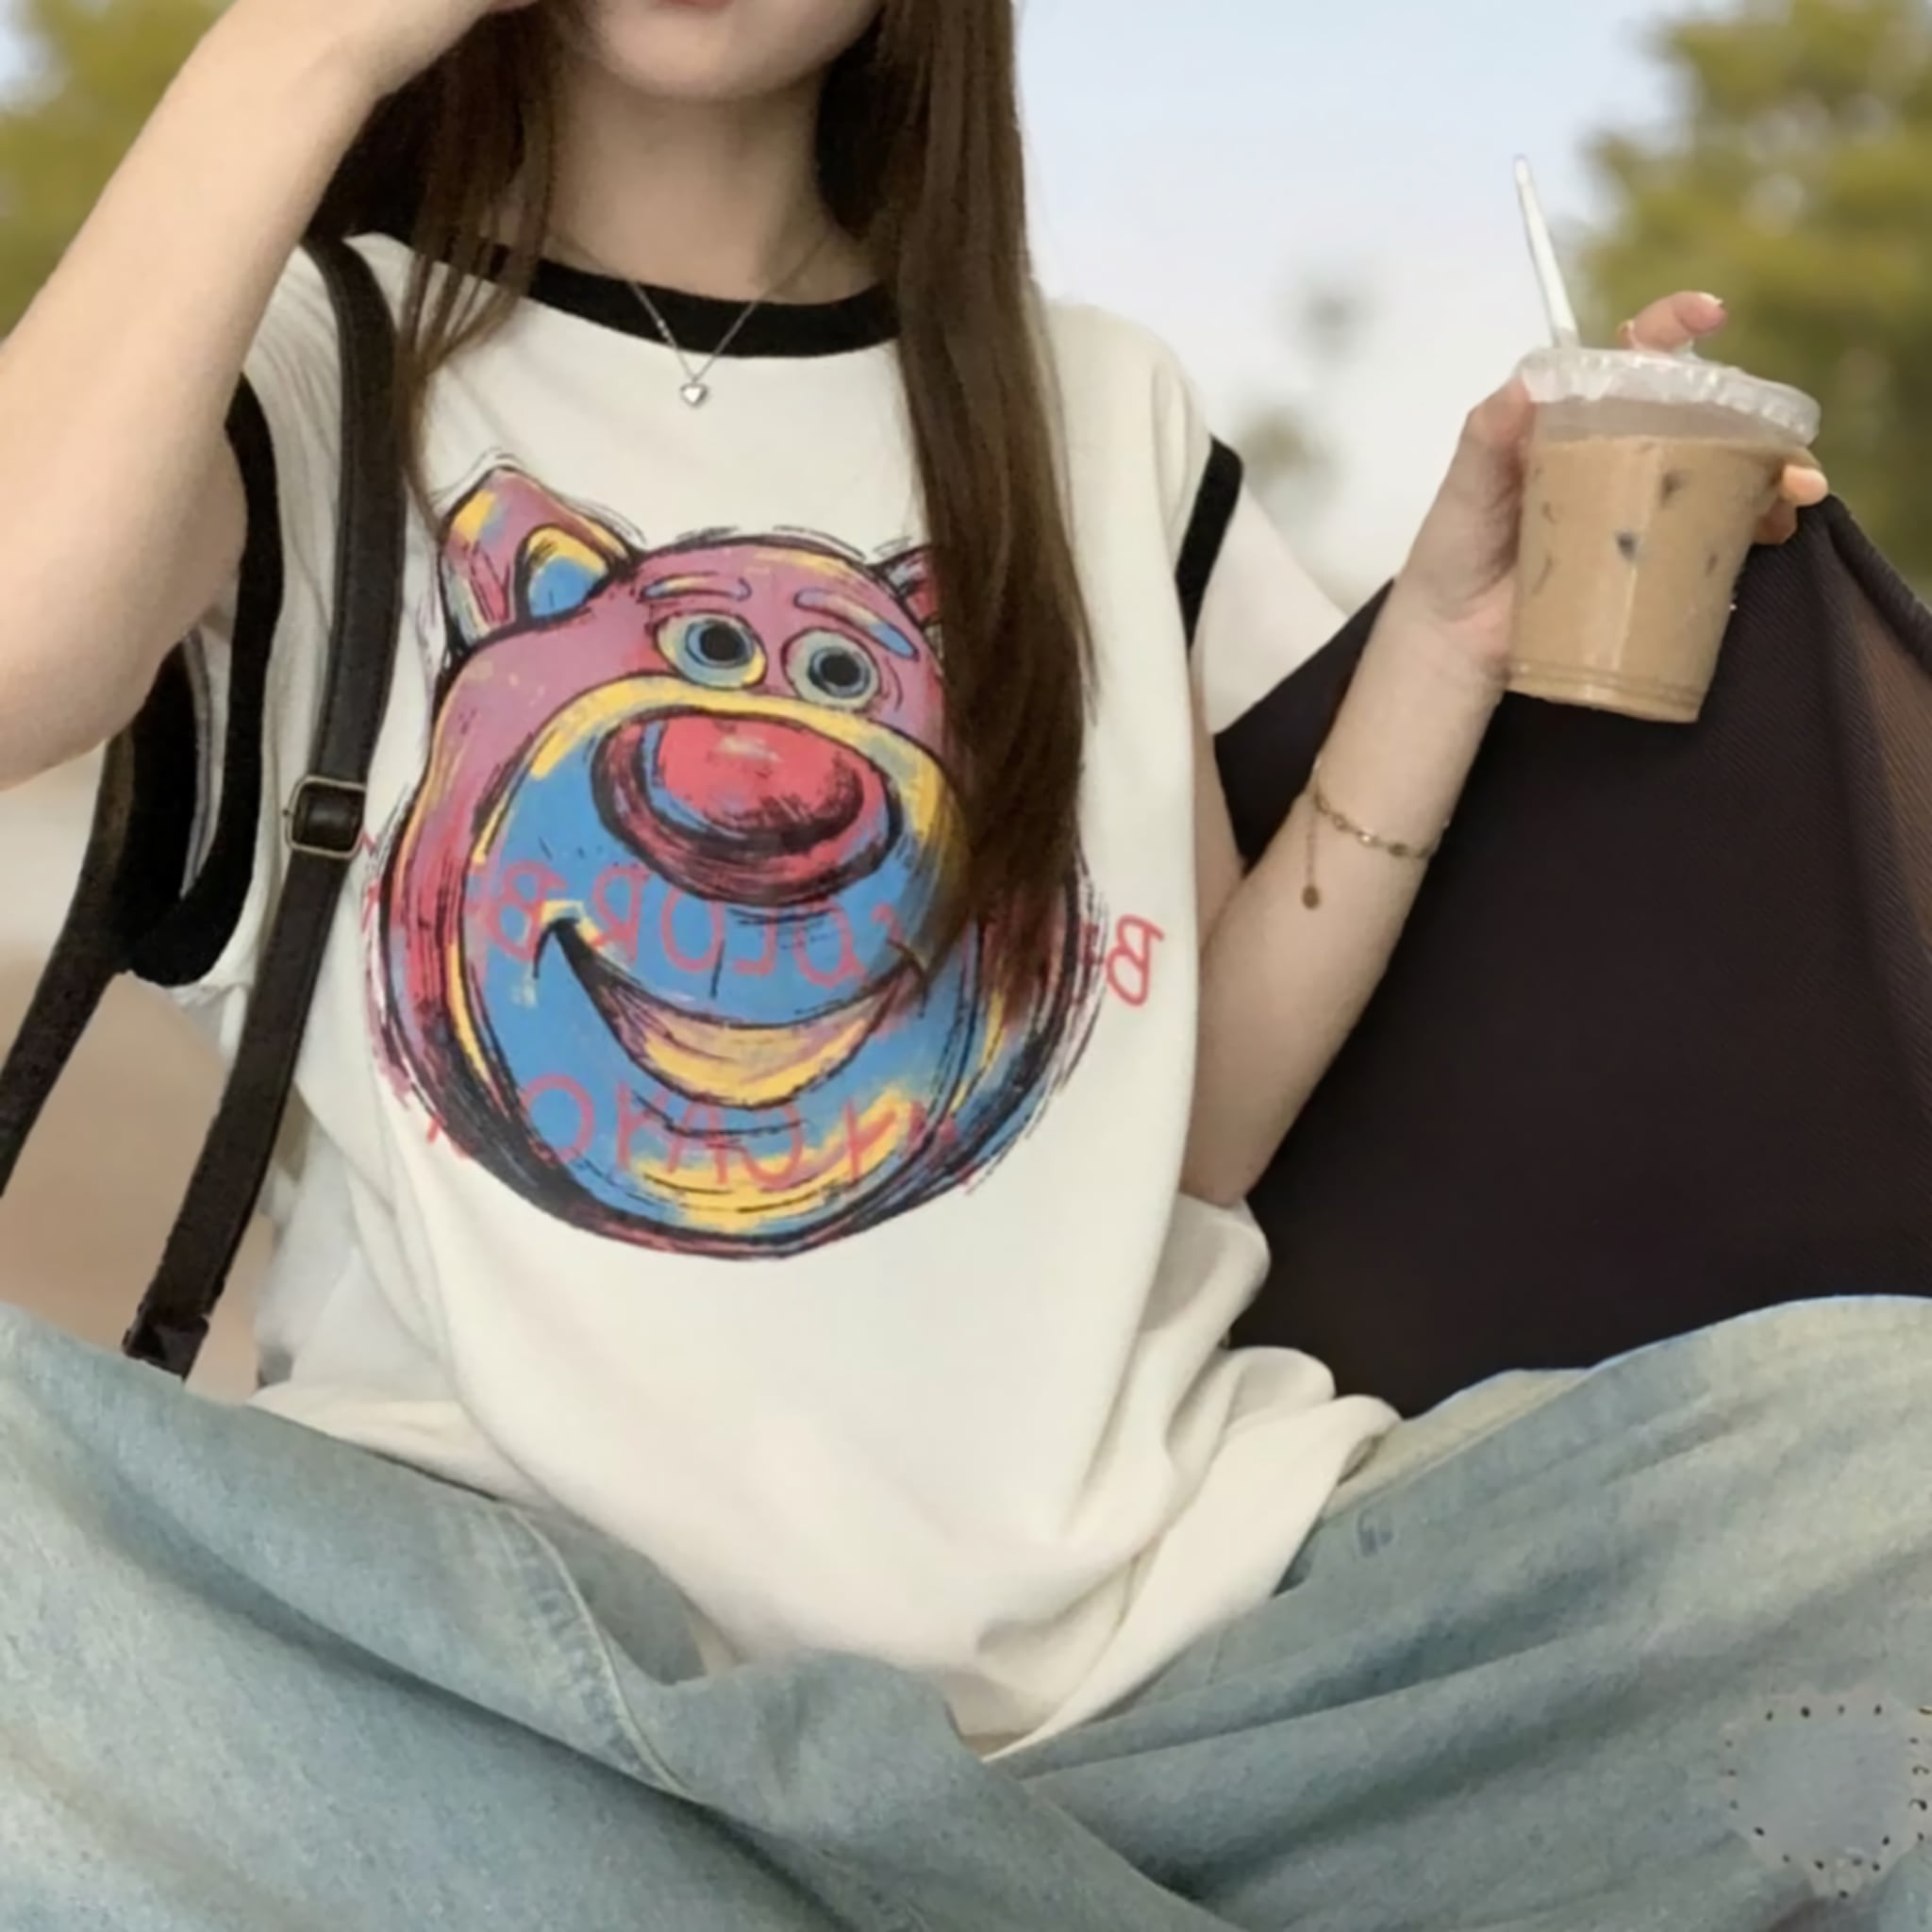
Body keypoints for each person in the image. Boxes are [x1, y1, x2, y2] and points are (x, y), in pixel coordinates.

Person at [0, 2, 1915, 1927]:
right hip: (525, 1723)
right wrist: (301, 48)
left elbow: (1183, 1130)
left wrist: (1439, 641)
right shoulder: (310, 362)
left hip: (1199, 1687)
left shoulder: (1094, 411)